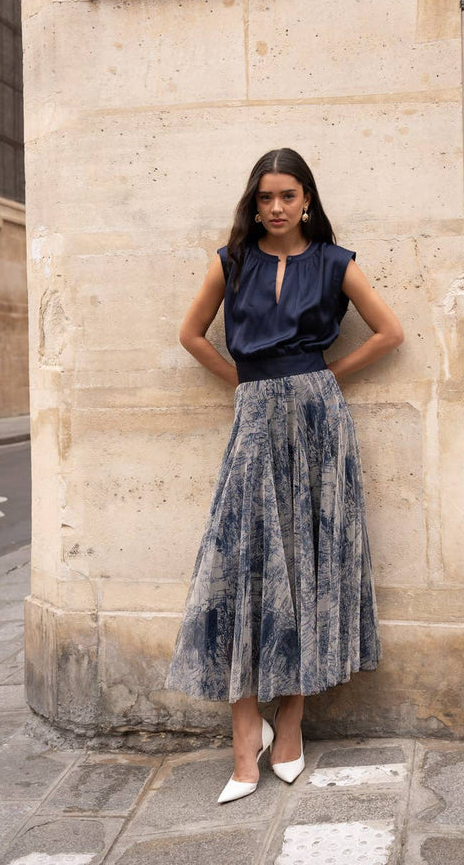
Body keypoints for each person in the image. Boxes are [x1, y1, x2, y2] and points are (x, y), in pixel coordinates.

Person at [163, 148, 404, 804]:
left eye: (287, 196)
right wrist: (242, 382)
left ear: (306, 200)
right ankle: (246, 734)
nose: (276, 208)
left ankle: (290, 721)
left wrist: (325, 378)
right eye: (265, 197)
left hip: (319, 422)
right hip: (254, 422)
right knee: (238, 569)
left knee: (307, 567)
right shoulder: (230, 262)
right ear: (254, 201)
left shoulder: (335, 263)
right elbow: (191, 334)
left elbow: (389, 332)